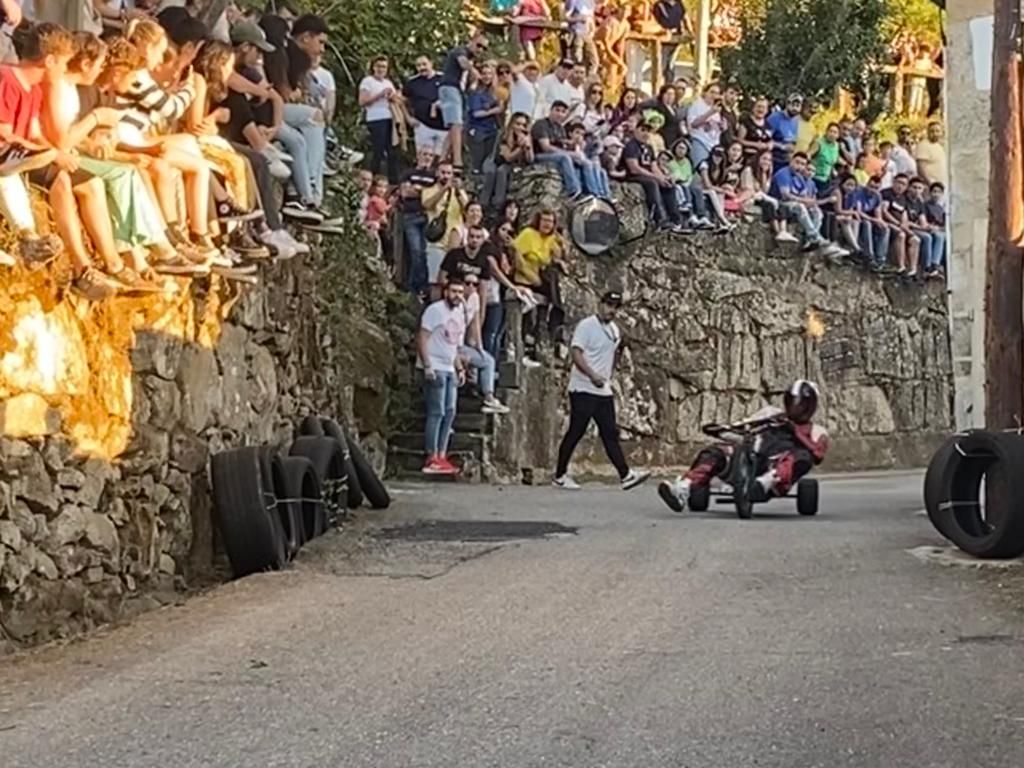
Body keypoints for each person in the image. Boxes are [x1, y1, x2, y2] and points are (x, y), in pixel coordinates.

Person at [657, 380, 829, 513]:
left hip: (779, 468)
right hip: (754, 453)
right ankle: (683, 489)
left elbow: (817, 454)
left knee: (801, 458)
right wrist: (721, 430)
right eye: (793, 402)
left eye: (801, 404)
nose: (796, 407)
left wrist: (794, 432)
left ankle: (764, 484)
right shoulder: (771, 413)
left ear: (811, 406)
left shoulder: (817, 431)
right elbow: (745, 426)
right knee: (715, 451)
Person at [552, 290, 651, 491]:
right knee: (576, 431)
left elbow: (615, 352)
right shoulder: (586, 326)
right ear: (600, 304)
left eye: (615, 307)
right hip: (583, 388)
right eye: (608, 305)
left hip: (602, 390)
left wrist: (608, 373)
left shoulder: (614, 330)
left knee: (609, 433)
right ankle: (560, 475)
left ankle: (625, 475)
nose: (611, 310)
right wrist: (592, 375)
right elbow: (576, 353)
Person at [418, 277, 469, 475]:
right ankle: (431, 456)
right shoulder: (435, 310)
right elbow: (422, 337)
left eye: (460, 292)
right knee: (436, 411)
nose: (457, 296)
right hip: (436, 366)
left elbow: (455, 345)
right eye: (454, 291)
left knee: (450, 411)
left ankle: (442, 453)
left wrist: (460, 368)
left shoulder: (459, 314)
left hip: (450, 367)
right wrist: (427, 365)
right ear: (446, 292)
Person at [458, 270, 512, 414]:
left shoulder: (474, 298)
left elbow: (475, 322)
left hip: (463, 345)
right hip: (452, 348)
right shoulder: (455, 302)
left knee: (488, 360)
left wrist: (478, 345)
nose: (471, 287)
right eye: (467, 283)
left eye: (475, 284)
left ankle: (488, 396)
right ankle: (479, 391)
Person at [621, 119, 686, 232]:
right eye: (642, 130)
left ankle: (676, 220)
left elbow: (654, 166)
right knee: (652, 183)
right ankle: (659, 219)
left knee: (668, 184)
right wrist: (655, 177)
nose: (645, 134)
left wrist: (662, 177)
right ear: (636, 130)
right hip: (633, 176)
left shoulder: (649, 148)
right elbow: (634, 168)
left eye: (648, 131)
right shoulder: (631, 146)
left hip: (648, 174)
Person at [439, 31, 488, 172]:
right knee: (456, 124)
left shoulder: (471, 58)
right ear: (472, 40)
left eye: (484, 48)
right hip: (450, 87)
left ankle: (443, 156)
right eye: (479, 45)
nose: (480, 50)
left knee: (457, 126)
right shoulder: (460, 51)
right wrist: (474, 71)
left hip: (458, 91)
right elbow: (463, 64)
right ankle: (457, 160)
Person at [358, 55, 400, 184]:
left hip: (390, 118)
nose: (381, 69)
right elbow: (362, 101)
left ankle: (393, 181)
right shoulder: (368, 81)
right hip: (376, 118)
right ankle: (373, 178)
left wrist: (394, 96)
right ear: (373, 67)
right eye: (379, 66)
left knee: (393, 150)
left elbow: (397, 100)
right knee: (378, 150)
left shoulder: (388, 83)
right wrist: (380, 95)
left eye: (384, 67)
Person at [403, 55, 447, 157]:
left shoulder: (444, 78)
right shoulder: (412, 82)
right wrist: (408, 118)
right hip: (423, 126)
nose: (422, 68)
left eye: (424, 64)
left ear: (431, 63)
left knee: (442, 159)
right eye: (418, 65)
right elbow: (401, 101)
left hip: (444, 127)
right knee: (423, 158)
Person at [652, 0, 693, 82]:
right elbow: (655, 22)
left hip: (676, 38)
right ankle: (661, 86)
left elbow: (685, 17)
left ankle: (669, 84)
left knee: (671, 65)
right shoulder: (659, 5)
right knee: (661, 65)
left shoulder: (679, 4)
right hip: (664, 40)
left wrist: (690, 32)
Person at [766, 92, 802, 170]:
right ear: (787, 104)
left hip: (786, 161)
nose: (795, 108)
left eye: (797, 106)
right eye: (793, 105)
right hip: (773, 160)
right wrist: (782, 146)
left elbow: (792, 140)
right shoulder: (775, 118)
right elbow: (765, 139)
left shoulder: (796, 120)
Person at [914, 121, 947, 188]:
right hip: (930, 186)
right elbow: (921, 168)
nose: (935, 133)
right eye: (932, 131)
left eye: (937, 131)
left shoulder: (939, 146)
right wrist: (930, 184)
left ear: (941, 132)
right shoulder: (923, 145)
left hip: (940, 185)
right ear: (927, 133)